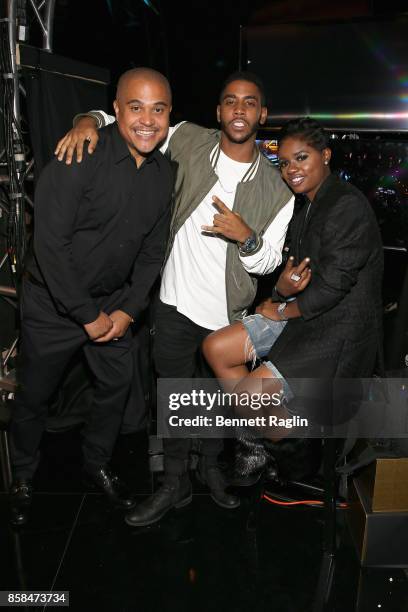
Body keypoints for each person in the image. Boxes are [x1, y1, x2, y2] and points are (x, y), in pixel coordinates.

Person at [54, 71, 295, 527]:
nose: (239, 110)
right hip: (174, 302)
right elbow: (130, 119)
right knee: (177, 397)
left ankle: (209, 470)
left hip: (226, 312)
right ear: (218, 111)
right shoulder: (187, 139)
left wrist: (246, 239)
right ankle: (173, 481)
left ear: (262, 114)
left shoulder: (278, 188)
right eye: (230, 101)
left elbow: (266, 265)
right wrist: (87, 120)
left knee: (213, 395)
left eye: (249, 102)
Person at [9, 68, 174, 526]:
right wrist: (86, 316)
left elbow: (152, 252)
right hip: (53, 306)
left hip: (115, 306)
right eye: (136, 107)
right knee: (35, 396)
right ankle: (22, 474)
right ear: (116, 110)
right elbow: (49, 246)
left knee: (116, 387)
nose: (147, 119)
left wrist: (126, 310)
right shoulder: (78, 156)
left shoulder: (165, 174)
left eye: (158, 109)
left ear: (168, 115)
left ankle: (96, 462)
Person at [203, 117, 383, 439]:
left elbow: (331, 288)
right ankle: (271, 433)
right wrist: (281, 293)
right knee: (216, 348)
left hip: (336, 335)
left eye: (301, 158)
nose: (291, 169)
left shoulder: (346, 206)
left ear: (325, 155)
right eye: (284, 162)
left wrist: (281, 308)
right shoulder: (307, 208)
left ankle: (288, 447)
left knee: (247, 396)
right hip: (304, 318)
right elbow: (294, 276)